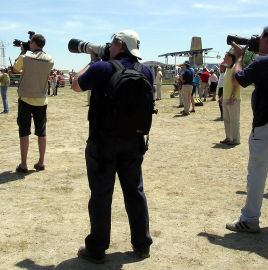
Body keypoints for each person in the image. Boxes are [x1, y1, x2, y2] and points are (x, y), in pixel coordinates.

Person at [72, 29, 153, 264]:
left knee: (101, 195)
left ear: (118, 44)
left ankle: (97, 248)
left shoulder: (101, 68)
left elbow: (76, 85)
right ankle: (142, 244)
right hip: (134, 141)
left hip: (103, 142)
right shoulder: (145, 70)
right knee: (135, 192)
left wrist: (93, 61)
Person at [225, 25, 268, 232]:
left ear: (267, 40)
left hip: (266, 120)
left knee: (257, 169)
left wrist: (239, 57)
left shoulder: (264, 61)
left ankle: (250, 218)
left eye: (261, 37)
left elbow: (241, 78)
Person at [13, 34, 54, 173]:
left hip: (25, 98)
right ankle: (41, 162)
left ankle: (24, 164)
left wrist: (23, 50)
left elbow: (16, 69)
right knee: (41, 132)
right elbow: (41, 60)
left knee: (24, 131)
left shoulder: (25, 58)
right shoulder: (50, 60)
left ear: (34, 43)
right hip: (41, 99)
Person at [220, 48, 241, 146]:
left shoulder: (234, 69)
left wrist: (232, 96)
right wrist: (222, 96)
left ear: (230, 57)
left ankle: (236, 139)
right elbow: (226, 85)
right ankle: (229, 137)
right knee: (227, 119)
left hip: (233, 98)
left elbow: (236, 84)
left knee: (234, 120)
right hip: (226, 98)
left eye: (225, 56)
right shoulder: (227, 69)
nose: (224, 57)